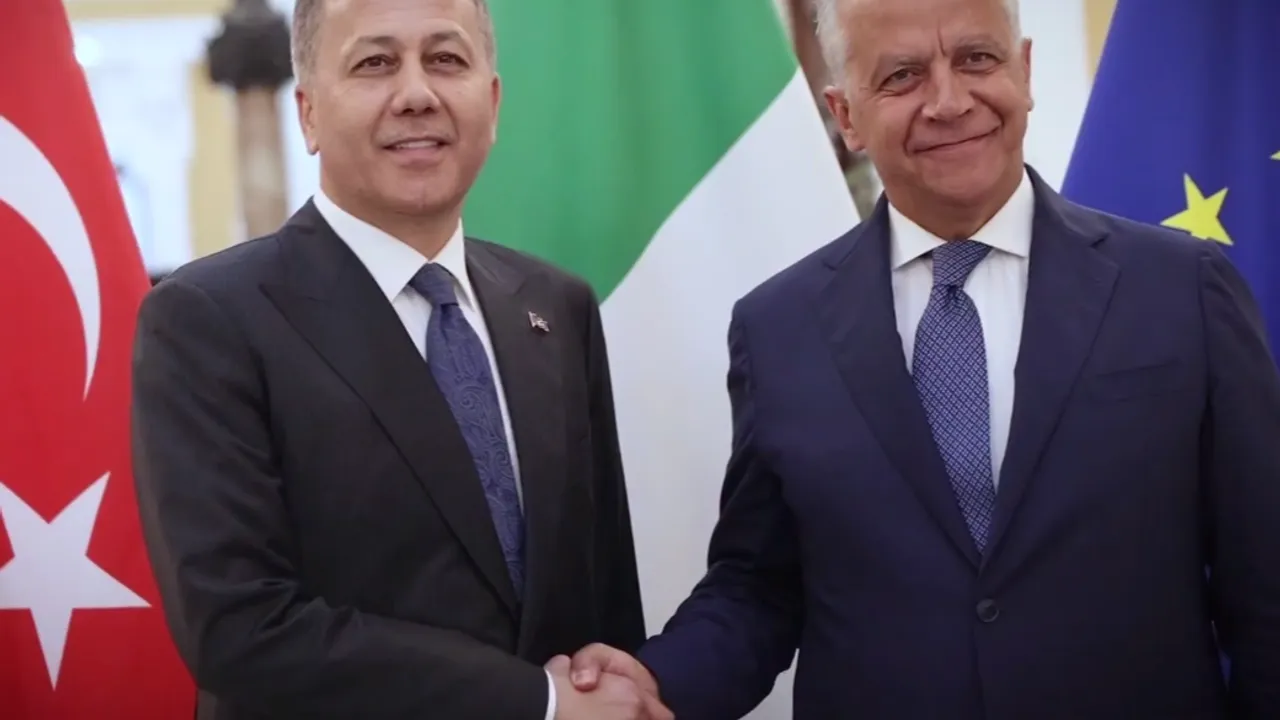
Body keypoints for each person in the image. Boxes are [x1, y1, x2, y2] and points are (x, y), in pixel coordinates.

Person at [561, 0, 1280, 717]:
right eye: (902, 75)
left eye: (977, 59)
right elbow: (759, 586)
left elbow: (1264, 577)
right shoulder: (778, 328)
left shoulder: (1182, 288)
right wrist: (652, 686)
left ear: (1025, 72)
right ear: (846, 116)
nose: (948, 101)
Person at [130, 1, 670, 718]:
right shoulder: (210, 319)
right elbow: (240, 628)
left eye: (445, 59)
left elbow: (603, 591)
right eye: (375, 63)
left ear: (492, 102)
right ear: (309, 113)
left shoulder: (556, 306)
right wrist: (537, 701)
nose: (416, 93)